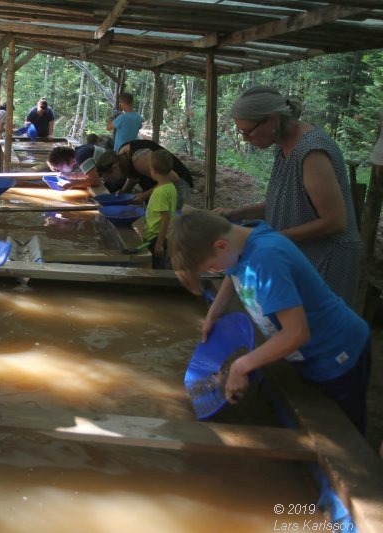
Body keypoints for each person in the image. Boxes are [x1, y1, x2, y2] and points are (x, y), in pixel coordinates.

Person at [168, 210, 371, 433]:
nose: (214, 271)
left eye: (211, 268)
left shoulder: (265, 261)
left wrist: (240, 365)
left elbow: (297, 333)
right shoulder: (240, 238)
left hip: (337, 352)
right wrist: (213, 314)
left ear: (220, 245)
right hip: (309, 352)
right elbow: (232, 271)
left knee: (345, 428)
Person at [215, 86, 361, 307]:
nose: (245, 139)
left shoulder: (312, 152)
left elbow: (335, 222)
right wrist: (238, 213)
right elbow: (287, 202)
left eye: (248, 131)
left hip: (327, 257)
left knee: (319, 328)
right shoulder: (282, 147)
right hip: (301, 252)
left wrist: (270, 239)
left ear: (272, 120)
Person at [112, 139, 193, 211]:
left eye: (108, 177)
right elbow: (132, 174)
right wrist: (125, 190)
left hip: (178, 183)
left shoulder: (139, 158)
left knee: (160, 215)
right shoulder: (123, 155)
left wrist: (144, 196)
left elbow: (173, 178)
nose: (109, 180)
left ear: (115, 167)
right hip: (163, 184)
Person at [143, 150, 177, 268]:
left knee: (155, 267)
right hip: (161, 235)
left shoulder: (160, 192)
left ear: (153, 170)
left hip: (155, 236)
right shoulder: (170, 186)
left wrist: (159, 244)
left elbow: (165, 218)